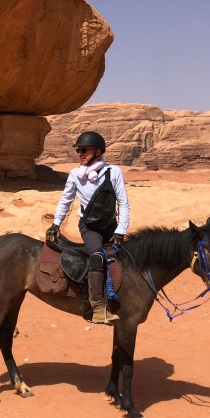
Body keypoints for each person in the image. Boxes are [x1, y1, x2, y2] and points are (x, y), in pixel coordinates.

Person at [45, 131, 130, 325]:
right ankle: (98, 307)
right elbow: (65, 200)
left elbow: (123, 203)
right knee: (98, 257)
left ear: (98, 151)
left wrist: (120, 231)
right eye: (78, 150)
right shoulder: (75, 175)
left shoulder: (114, 172)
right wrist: (56, 224)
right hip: (89, 227)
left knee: (127, 259)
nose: (80, 154)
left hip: (111, 226)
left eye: (84, 150)